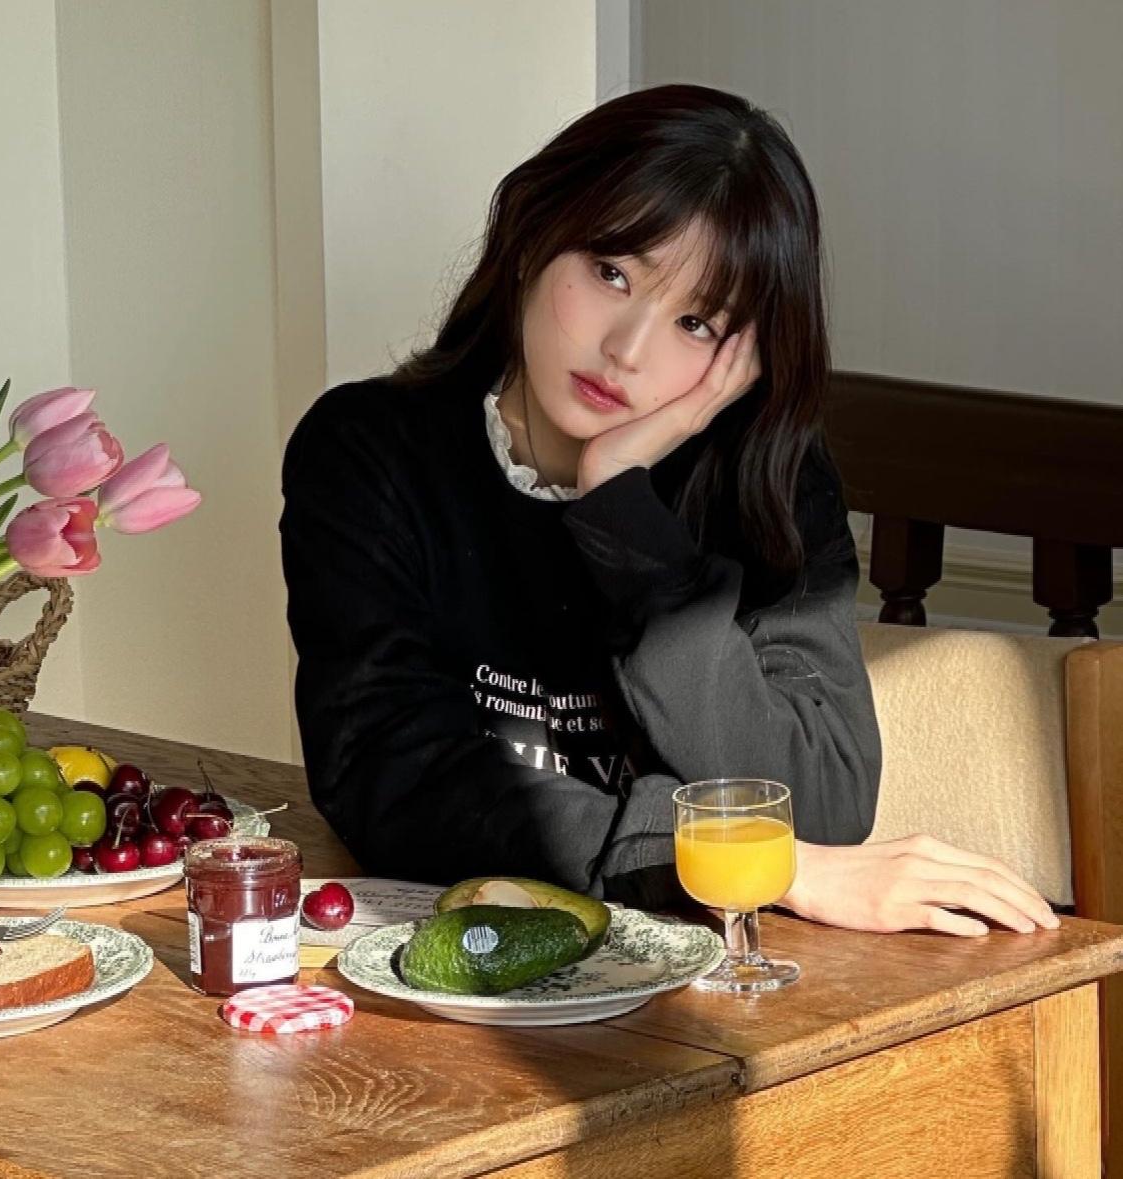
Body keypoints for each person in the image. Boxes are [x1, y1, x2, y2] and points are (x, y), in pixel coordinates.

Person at [280, 83, 1057, 938]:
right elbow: (390, 776)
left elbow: (822, 802)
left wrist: (623, 514)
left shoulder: (767, 482)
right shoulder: (368, 452)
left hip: (717, 975)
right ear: (534, 235)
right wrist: (719, 854)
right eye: (611, 272)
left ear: (749, 355)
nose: (627, 350)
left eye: (696, 322)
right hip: (460, 962)